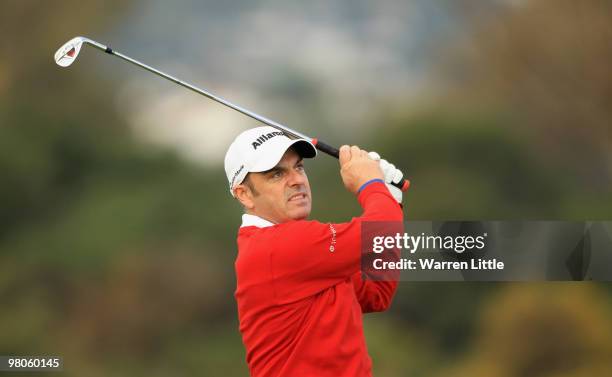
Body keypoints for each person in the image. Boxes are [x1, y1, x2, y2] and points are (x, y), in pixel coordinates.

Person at [224, 126, 405, 377]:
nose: (297, 180)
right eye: (276, 174)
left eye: (298, 167)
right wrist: (372, 185)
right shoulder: (276, 247)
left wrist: (390, 199)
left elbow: (376, 293)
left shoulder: (307, 253)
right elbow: (383, 231)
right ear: (244, 195)